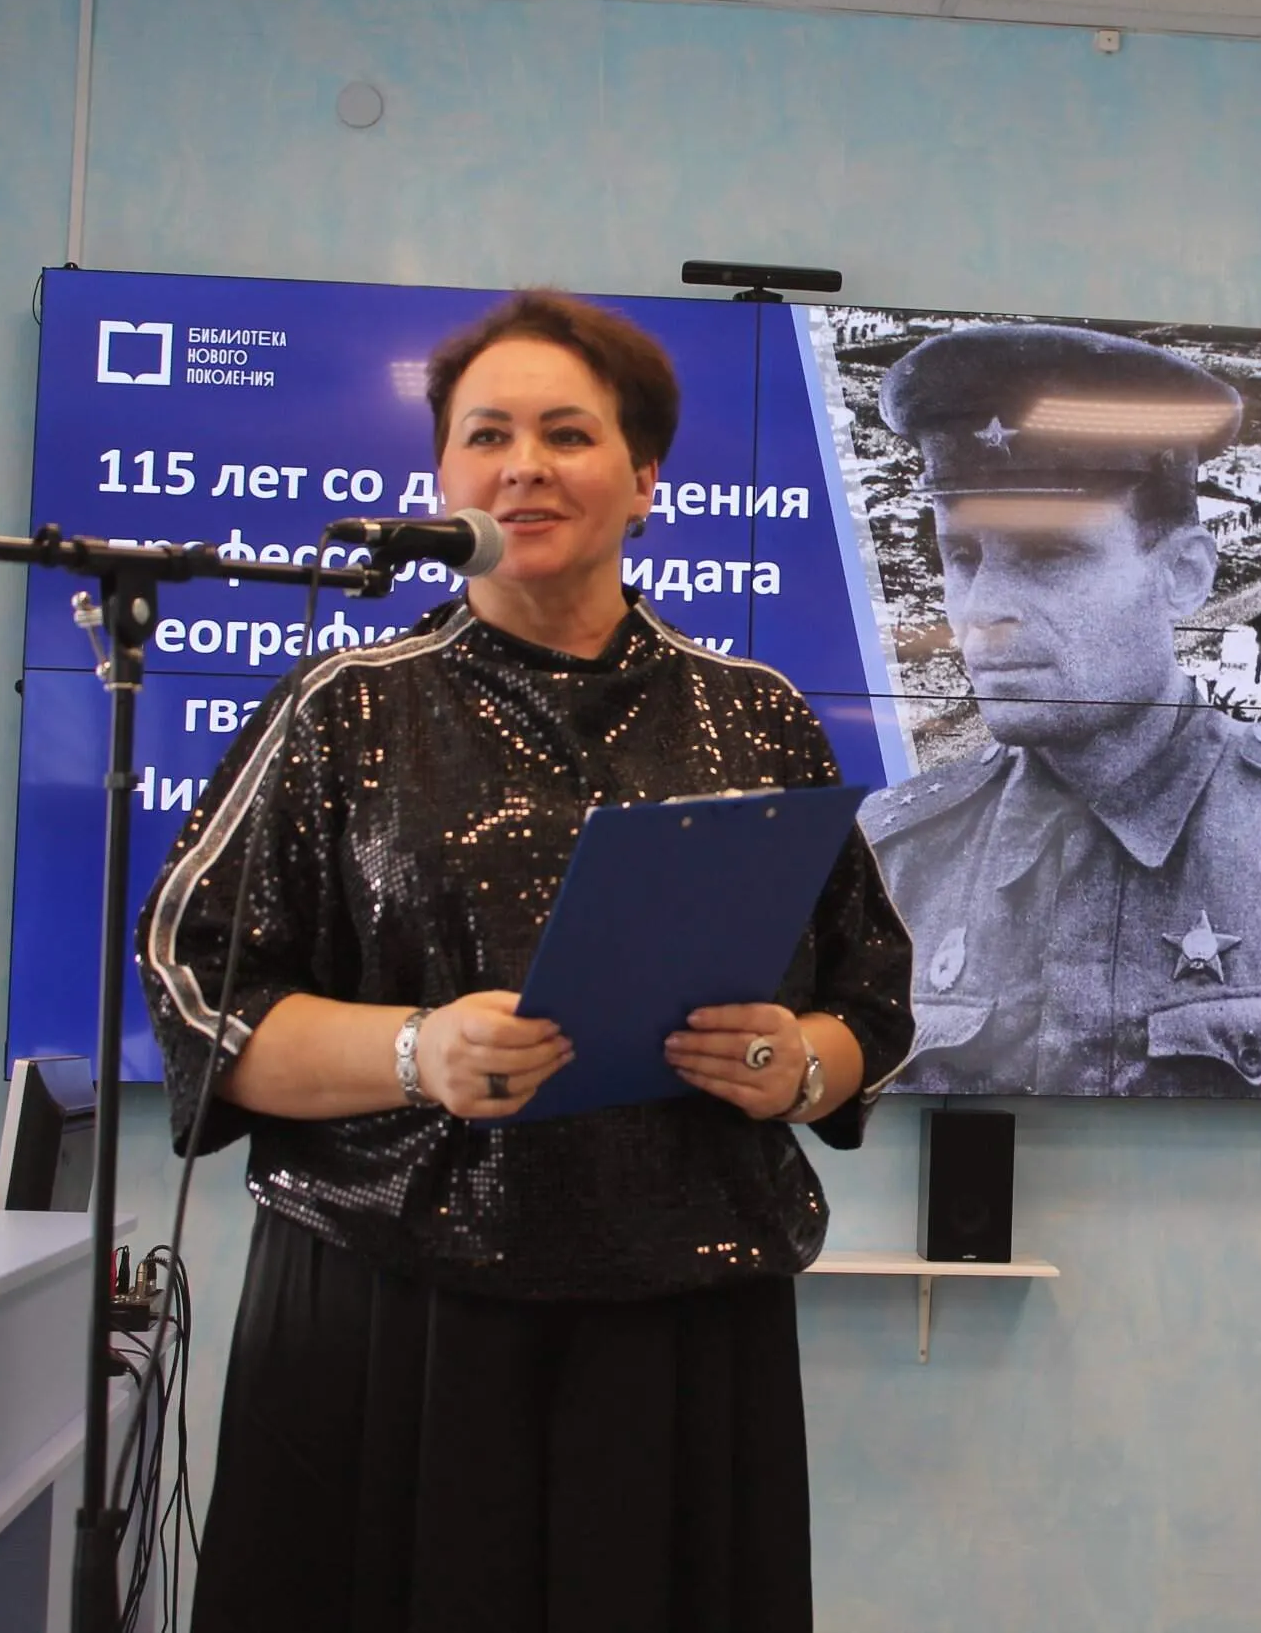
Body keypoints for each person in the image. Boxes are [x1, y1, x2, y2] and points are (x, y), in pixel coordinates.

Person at [136, 290, 913, 1633]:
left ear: (645, 478)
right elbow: (197, 994)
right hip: (384, 1311)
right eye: (486, 434)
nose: (524, 466)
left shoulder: (758, 716)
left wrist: (796, 1064)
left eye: (568, 433)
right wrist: (413, 1049)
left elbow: (870, 1002)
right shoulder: (342, 704)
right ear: (444, 475)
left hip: (684, 1316)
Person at [855, 323, 1261, 1100]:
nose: (982, 609)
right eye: (962, 557)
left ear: (1184, 575)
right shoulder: (893, 860)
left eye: (1049, 555)